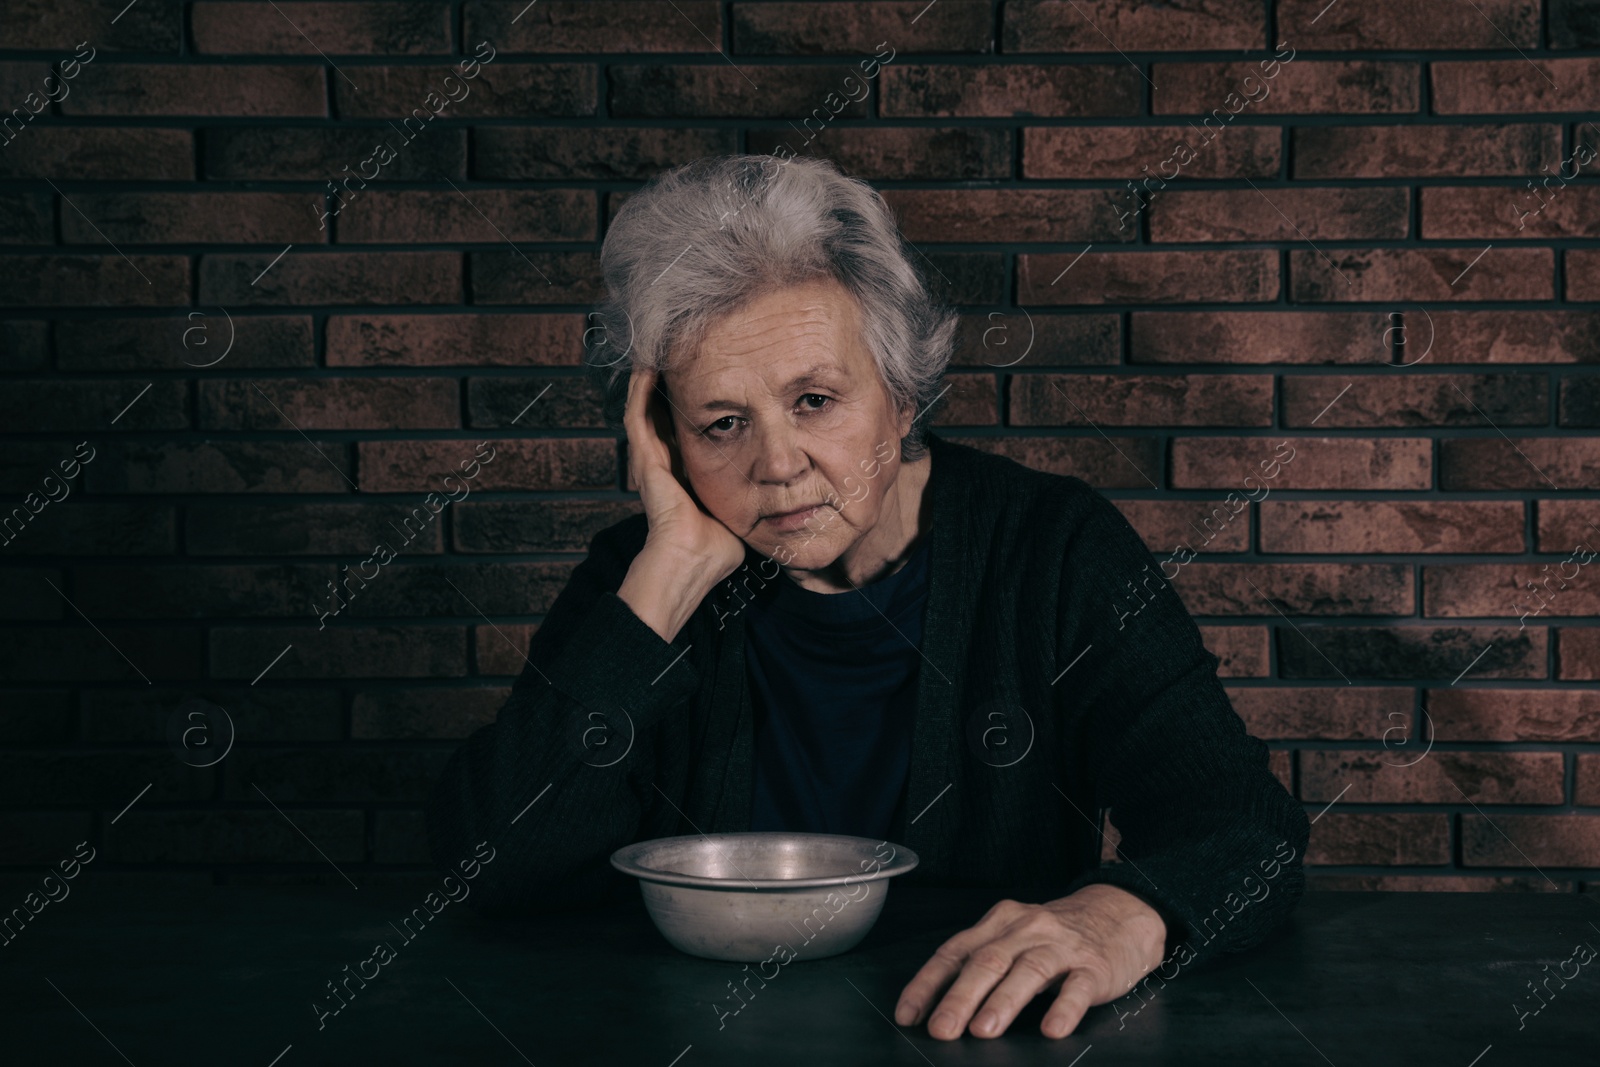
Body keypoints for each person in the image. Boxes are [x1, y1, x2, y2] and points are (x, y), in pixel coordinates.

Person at [425, 153, 1309, 1042]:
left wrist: (1119, 913)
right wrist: (663, 584)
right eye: (722, 423)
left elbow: (1241, 825)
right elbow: (495, 867)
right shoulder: (646, 575)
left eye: (814, 399)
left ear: (901, 396)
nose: (776, 465)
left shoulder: (1053, 548)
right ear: (666, 440)